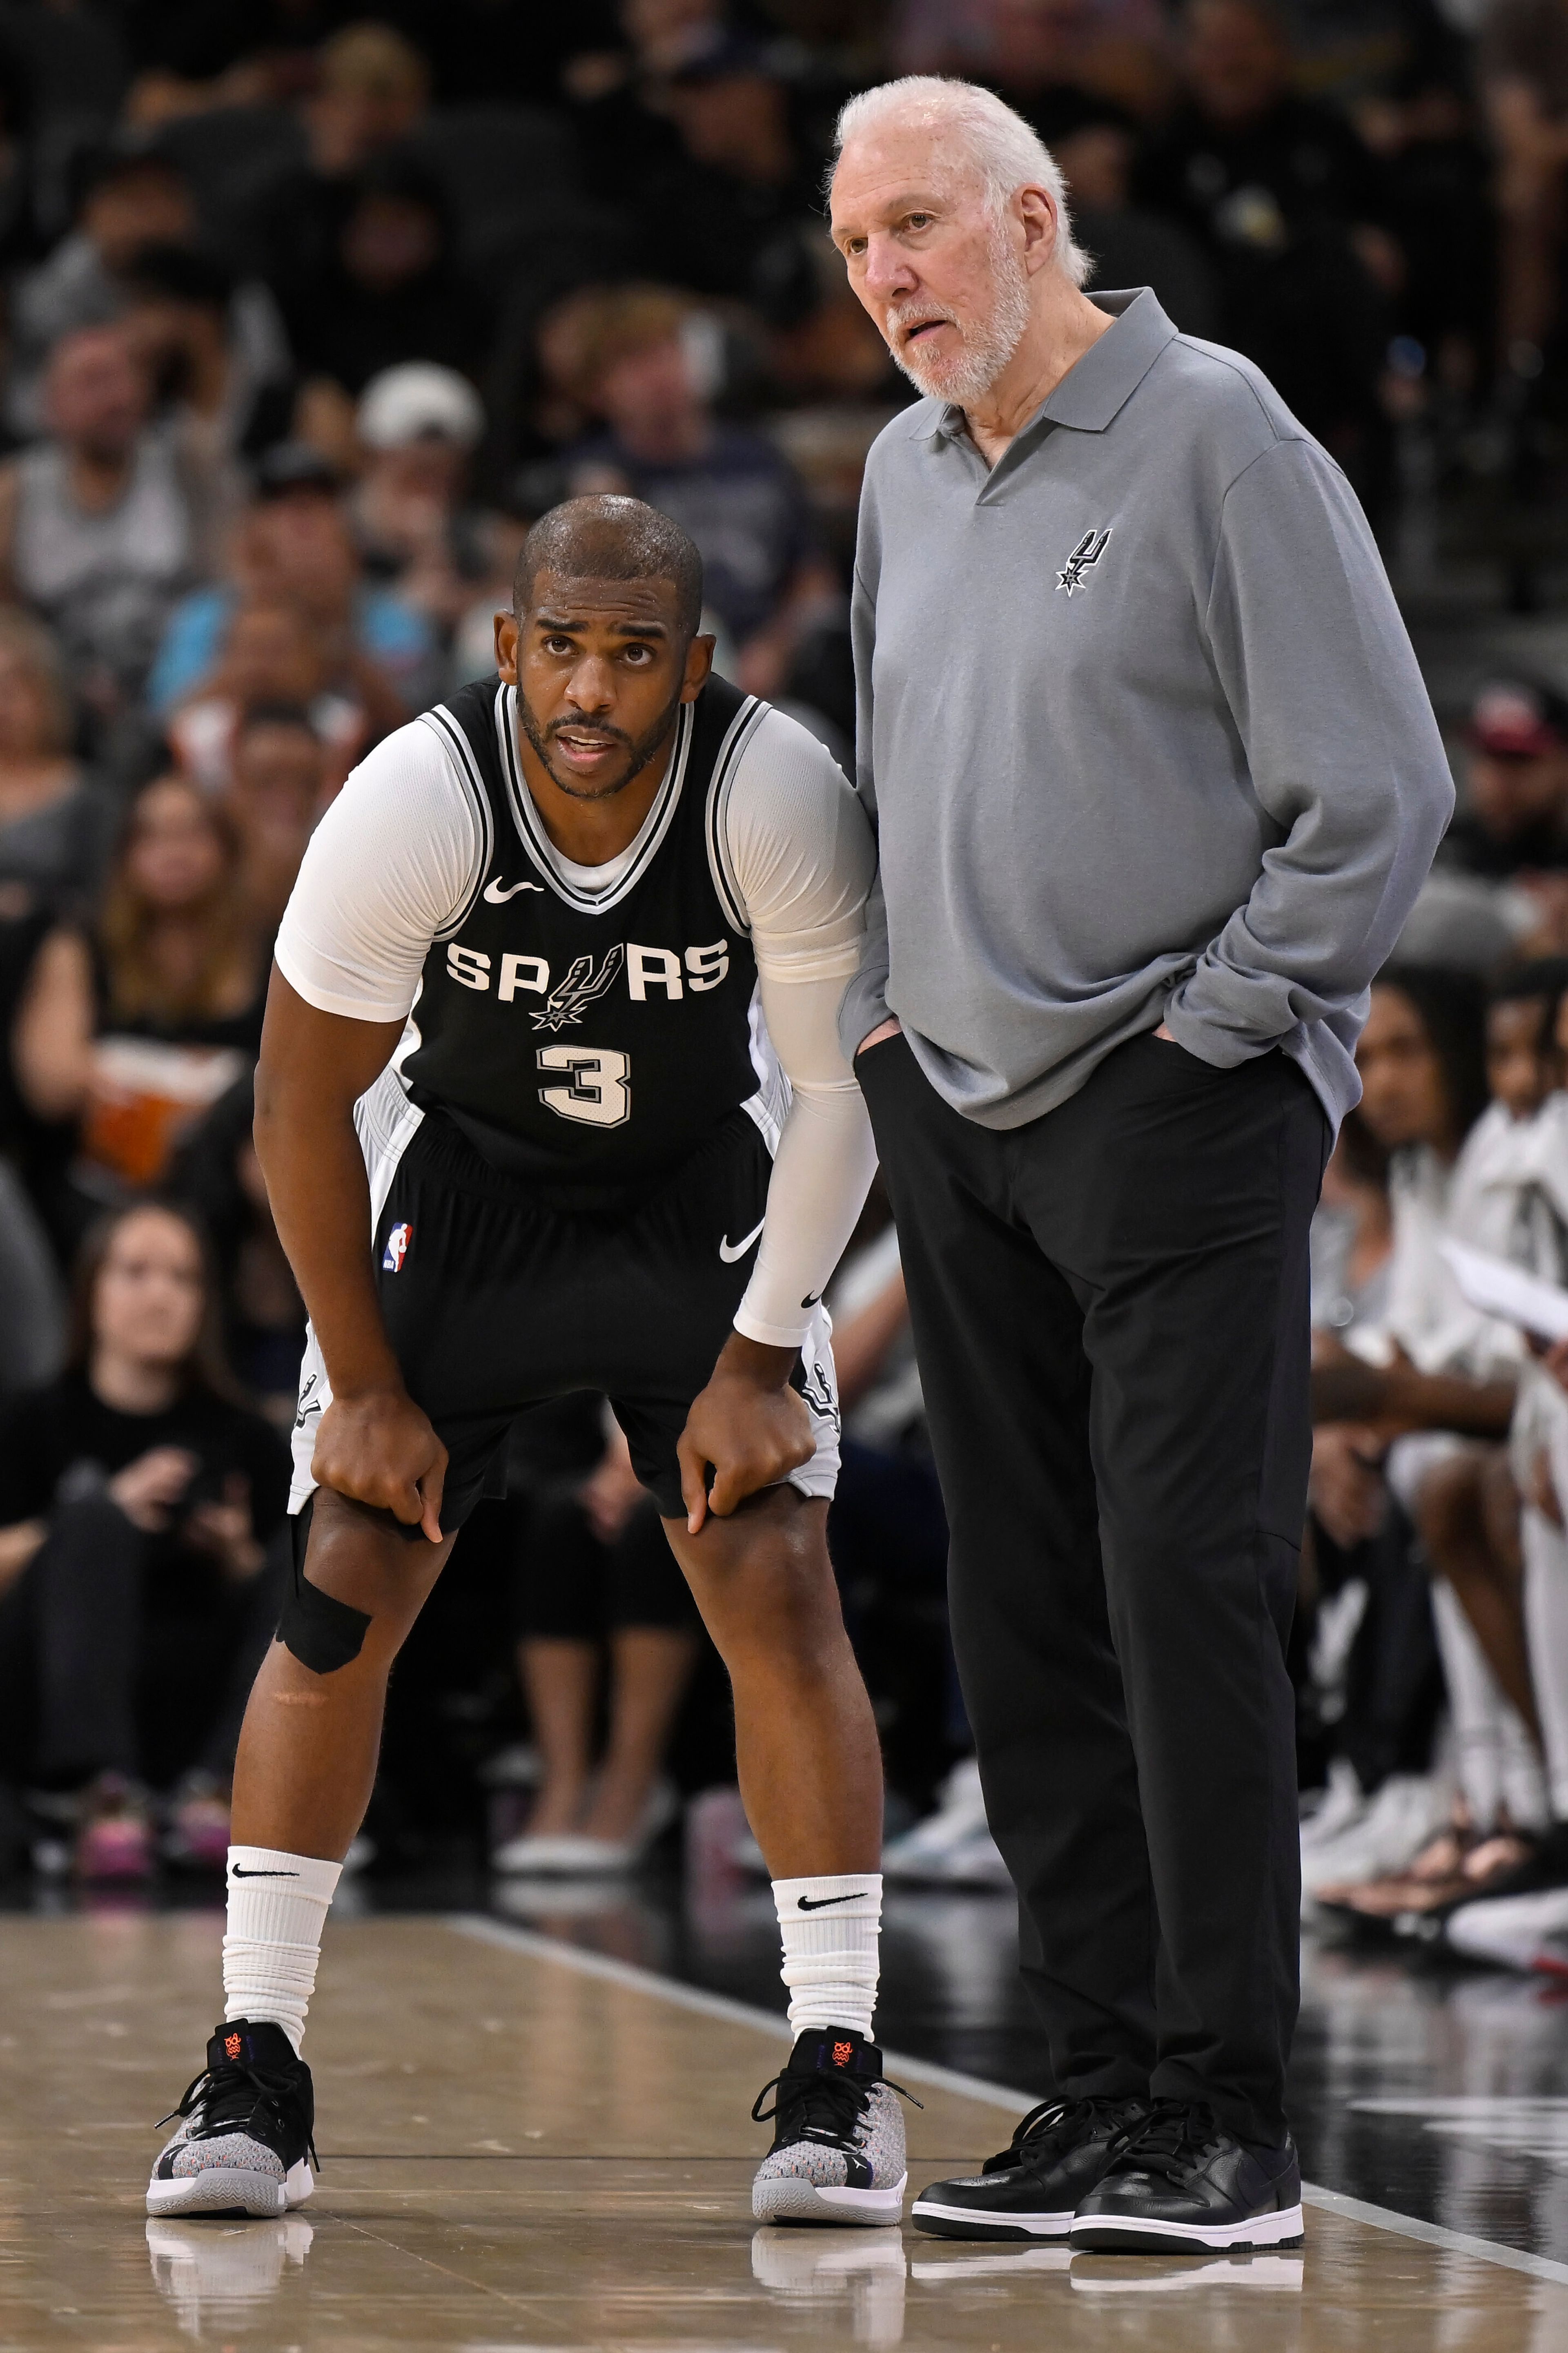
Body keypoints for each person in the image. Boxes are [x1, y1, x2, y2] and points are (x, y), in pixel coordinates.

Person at [827, 76, 1452, 2253]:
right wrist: (888, 1011)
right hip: (967, 1108)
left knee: (1181, 1582)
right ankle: (1100, 2088)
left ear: (1033, 220)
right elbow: (905, 776)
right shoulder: (904, 476)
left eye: (917, 226)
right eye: (854, 248)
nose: (885, 275)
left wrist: (1221, 1021)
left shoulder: (1222, 432)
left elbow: (1379, 789)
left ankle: (1232, 2120)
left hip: (1177, 1095)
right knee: (1028, 1605)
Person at [145, 493, 902, 2232]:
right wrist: (369, 1386)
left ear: (691, 669)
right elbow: (294, 1100)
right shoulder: (415, 794)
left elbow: (842, 1097)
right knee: (343, 1566)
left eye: (634, 653)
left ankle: (841, 2072)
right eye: (561, 643)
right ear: (506, 649)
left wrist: (760, 1351)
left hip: (697, 1192)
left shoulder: (773, 788)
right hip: (469, 1197)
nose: (592, 684)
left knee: (772, 1566)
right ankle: (257, 2065)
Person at [0, 1200, 287, 1880]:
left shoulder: (243, 1434)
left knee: (314, 1556)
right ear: (91, 1291)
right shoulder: (35, 1420)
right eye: (135, 1272)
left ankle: (221, 1788)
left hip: (196, 1682)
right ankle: (101, 1793)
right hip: (60, 1686)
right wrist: (99, 1515)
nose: (160, 1294)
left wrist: (233, 1554)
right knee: (95, 1516)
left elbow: (281, 1594)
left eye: (183, 1278)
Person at [554, 284, 840, 696]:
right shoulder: (596, 476)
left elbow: (813, 581)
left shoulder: (759, 459)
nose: (658, 375)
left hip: (777, 664)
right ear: (600, 390)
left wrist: (777, 647)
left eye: (668, 350)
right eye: (634, 362)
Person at [16, 772, 268, 1193]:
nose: (173, 853)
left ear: (227, 848)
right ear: (123, 854)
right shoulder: (79, 942)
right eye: (151, 837)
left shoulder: (274, 947)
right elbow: (51, 1084)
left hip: (233, 1172)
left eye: (192, 833)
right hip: (105, 1171)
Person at [494, 1408, 701, 1874]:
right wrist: (623, 1461)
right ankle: (565, 1781)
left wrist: (661, 1461)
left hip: (762, 1449)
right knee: (562, 1516)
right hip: (646, 1443)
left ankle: (633, 1784)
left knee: (658, 1522)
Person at [0, 325, 218, 716]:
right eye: (91, 383)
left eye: (123, 379)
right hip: (61, 703)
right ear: (51, 407)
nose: (114, 399)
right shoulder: (16, 494)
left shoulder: (190, 468)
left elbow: (230, 588)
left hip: (181, 688)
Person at [149, 442, 439, 725]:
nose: (302, 515)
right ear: (253, 530)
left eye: (319, 500)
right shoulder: (206, 616)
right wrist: (257, 640)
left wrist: (334, 629)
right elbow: (163, 723)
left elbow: (418, 728)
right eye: (280, 501)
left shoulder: (394, 618)